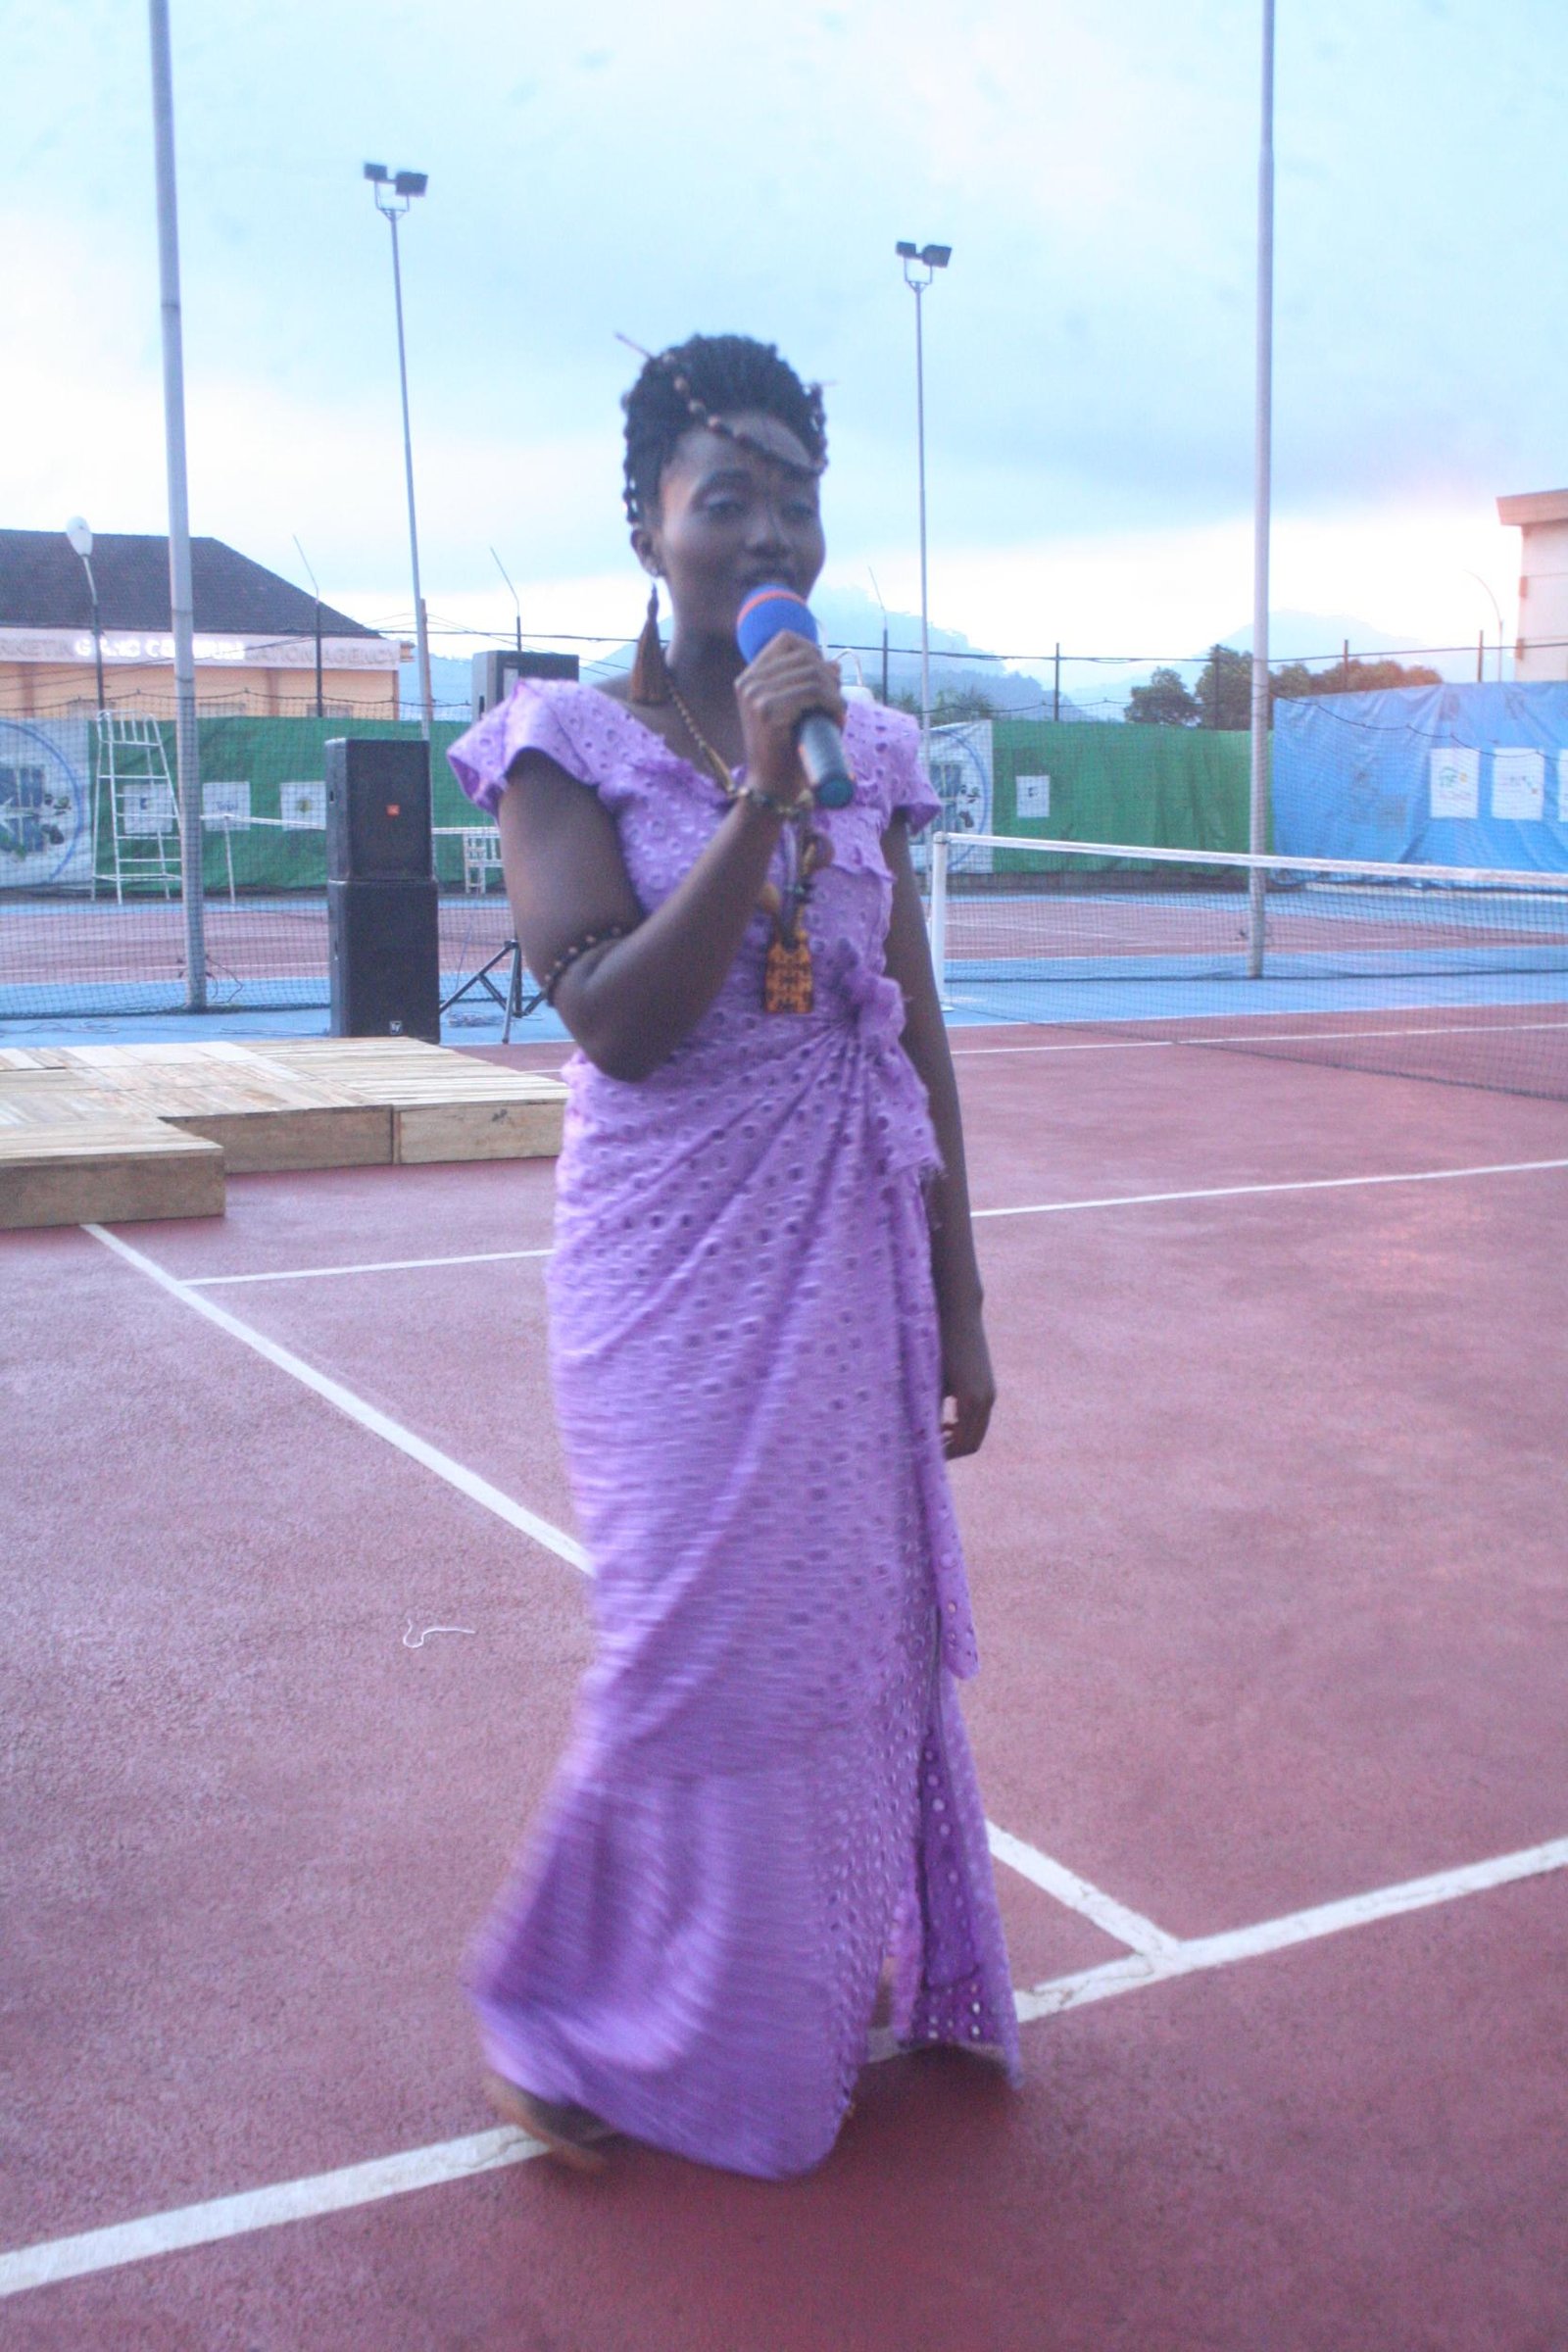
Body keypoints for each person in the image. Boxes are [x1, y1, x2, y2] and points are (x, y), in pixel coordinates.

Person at [447, 332, 1018, 2180]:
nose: (770, 530)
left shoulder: (880, 759)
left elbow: (909, 1028)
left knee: (835, 1640)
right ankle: (565, 2011)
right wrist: (765, 793)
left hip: (850, 1257)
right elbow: (615, 1019)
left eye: (796, 497)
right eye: (729, 497)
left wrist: (964, 1296)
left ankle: (786, 1989)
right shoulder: (565, 745)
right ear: (649, 523)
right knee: (686, 1645)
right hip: (668, 1268)